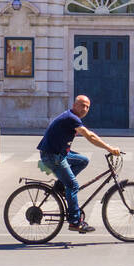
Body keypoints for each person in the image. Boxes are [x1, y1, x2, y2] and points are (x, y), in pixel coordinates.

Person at [36, 95, 120, 234]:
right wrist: (109, 148)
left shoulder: (72, 117)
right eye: (82, 105)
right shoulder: (71, 118)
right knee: (73, 185)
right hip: (52, 155)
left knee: (83, 160)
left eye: (87, 107)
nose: (85, 109)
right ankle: (75, 222)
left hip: (59, 153)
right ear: (75, 105)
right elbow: (89, 136)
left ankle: (61, 185)